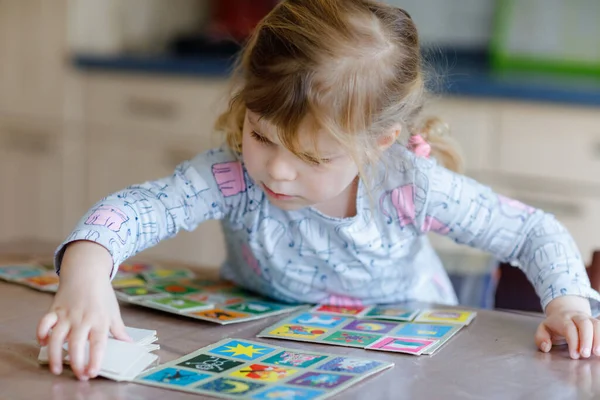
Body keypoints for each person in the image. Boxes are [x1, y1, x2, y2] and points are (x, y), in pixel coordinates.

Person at [37, 0, 600, 381]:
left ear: (381, 144)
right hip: (274, 351)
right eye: (261, 134)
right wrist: (86, 271)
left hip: (406, 363)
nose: (277, 171)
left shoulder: (410, 185)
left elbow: (532, 229)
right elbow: (139, 210)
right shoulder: (234, 174)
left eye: (312, 157)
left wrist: (567, 302)